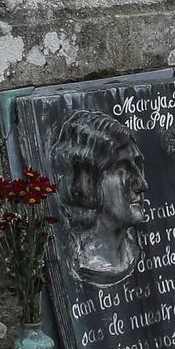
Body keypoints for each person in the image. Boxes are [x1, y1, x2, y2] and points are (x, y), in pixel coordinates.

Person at [51, 108, 151, 284]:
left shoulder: (132, 253)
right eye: (123, 168)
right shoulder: (85, 261)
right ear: (86, 182)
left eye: (138, 166)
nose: (142, 184)